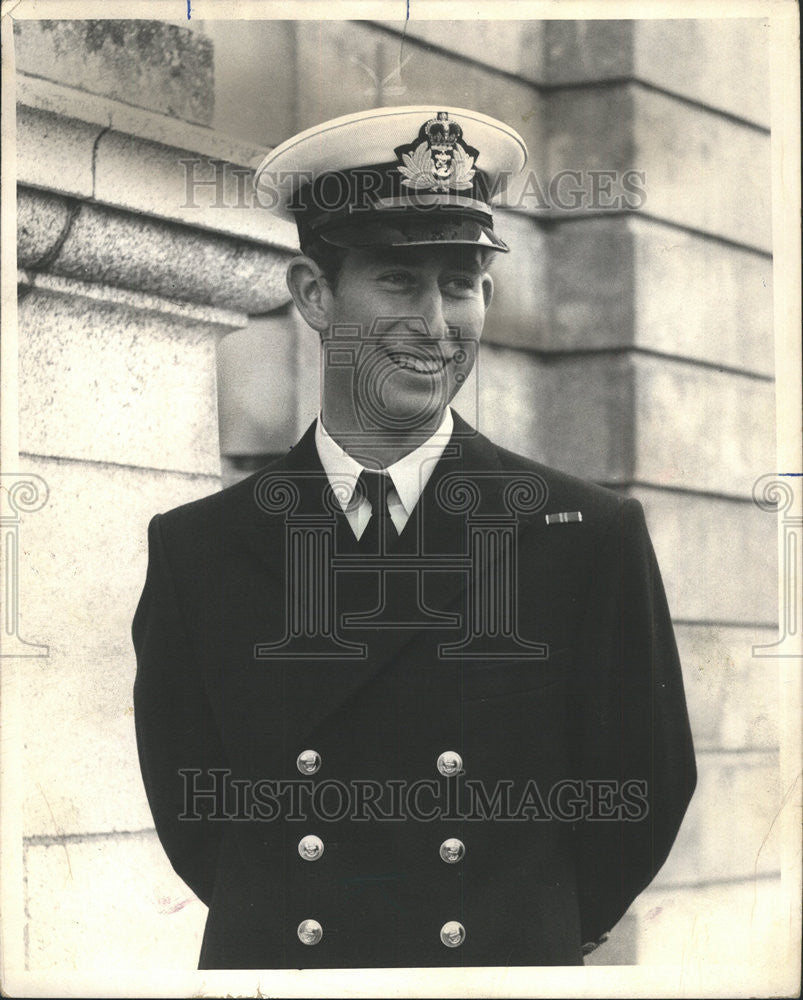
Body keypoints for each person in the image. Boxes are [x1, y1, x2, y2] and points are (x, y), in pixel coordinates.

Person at [132, 106, 696, 970]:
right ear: (314, 295)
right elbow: (194, 808)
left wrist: (521, 929)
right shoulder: (199, 549)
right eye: (398, 281)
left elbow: (642, 794)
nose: (436, 323)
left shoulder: (584, 534)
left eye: (460, 283)